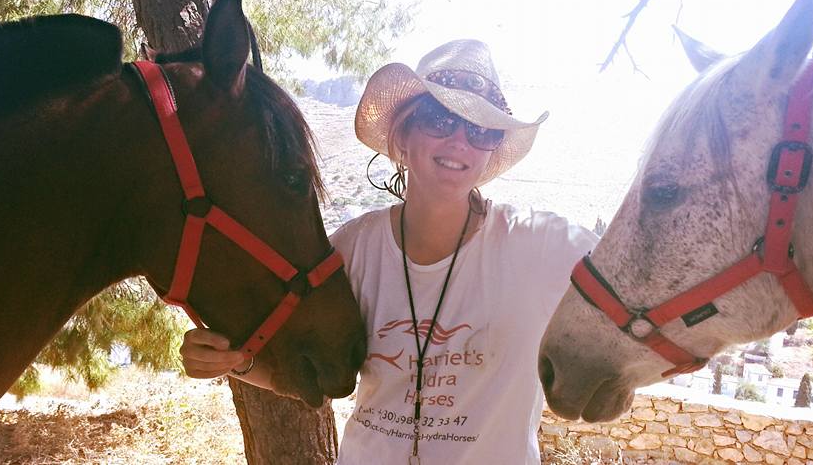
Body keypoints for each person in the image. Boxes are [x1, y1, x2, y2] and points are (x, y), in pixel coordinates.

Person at [179, 39, 597, 464]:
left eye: (480, 130)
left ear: (491, 149)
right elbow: (299, 368)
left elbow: (646, 296)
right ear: (404, 131)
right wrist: (234, 362)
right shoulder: (354, 249)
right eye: (440, 118)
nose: (459, 141)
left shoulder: (540, 246)